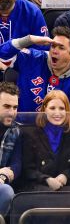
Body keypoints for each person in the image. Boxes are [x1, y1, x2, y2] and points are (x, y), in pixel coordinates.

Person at [0, 26, 70, 112]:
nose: (55, 51)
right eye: (53, 46)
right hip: (21, 125)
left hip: (57, 128)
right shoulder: (33, 58)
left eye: (61, 48)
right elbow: (2, 55)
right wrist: (29, 39)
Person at [20, 90, 70, 192]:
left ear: (67, 110)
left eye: (62, 108)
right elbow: (27, 169)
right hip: (38, 186)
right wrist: (46, 179)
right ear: (45, 109)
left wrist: (65, 176)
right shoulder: (30, 133)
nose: (57, 113)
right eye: (52, 108)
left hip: (66, 186)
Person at [0, 82, 22, 216]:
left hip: (1, 183)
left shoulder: (17, 130)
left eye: (15, 107)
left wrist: (2, 175)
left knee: (7, 191)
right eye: (7, 107)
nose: (12, 112)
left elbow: (17, 164)